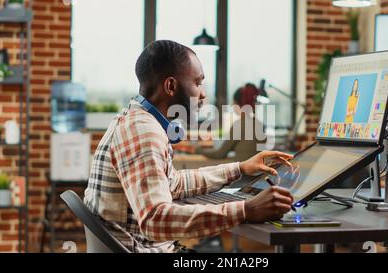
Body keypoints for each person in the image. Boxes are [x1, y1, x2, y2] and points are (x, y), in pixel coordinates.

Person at [83, 40, 294, 253]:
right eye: (198, 82)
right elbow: (155, 220)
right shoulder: (144, 131)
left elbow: (172, 184)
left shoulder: (137, 120)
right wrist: (246, 209)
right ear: (171, 86)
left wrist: (239, 168)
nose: (203, 94)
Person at [196, 83, 266, 161]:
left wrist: (197, 149)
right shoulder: (260, 125)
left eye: (234, 103)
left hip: (243, 171)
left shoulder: (239, 125)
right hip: (258, 172)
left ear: (239, 104)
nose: (232, 105)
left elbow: (220, 153)